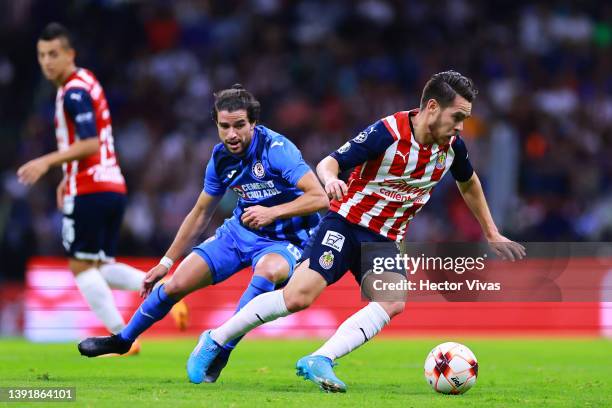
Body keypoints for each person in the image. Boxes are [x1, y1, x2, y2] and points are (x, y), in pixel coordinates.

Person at [186, 71, 526, 391]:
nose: (461, 127)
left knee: (392, 302)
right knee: (297, 297)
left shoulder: (452, 149)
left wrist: (492, 232)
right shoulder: (388, 132)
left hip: (384, 239)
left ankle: (321, 358)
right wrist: (332, 179)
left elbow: (469, 184)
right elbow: (329, 162)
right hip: (346, 223)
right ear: (433, 108)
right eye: (458, 117)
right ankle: (215, 339)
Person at [78, 84, 330, 382]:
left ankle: (222, 344)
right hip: (238, 233)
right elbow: (200, 212)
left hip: (286, 239)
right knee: (176, 285)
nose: (231, 134)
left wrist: (272, 212)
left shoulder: (278, 151)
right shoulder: (220, 158)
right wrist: (166, 262)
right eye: (224, 126)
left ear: (254, 124)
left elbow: (320, 198)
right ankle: (123, 341)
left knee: (268, 270)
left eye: (239, 125)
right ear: (217, 125)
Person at [17, 23, 188, 355]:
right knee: (100, 268)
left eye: (54, 54)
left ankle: (122, 338)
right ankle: (161, 289)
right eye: (41, 55)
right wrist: (68, 174)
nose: (47, 62)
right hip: (111, 185)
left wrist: (47, 163)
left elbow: (90, 142)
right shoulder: (88, 82)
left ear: (70, 54)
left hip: (91, 187)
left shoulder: (73, 92)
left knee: (81, 267)